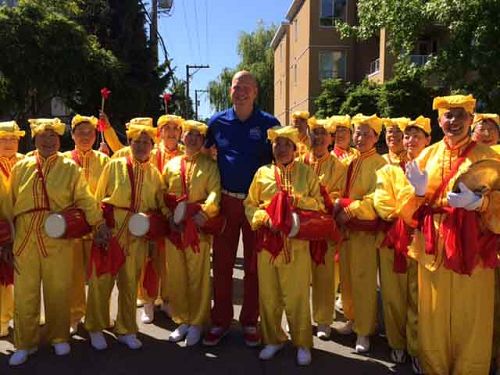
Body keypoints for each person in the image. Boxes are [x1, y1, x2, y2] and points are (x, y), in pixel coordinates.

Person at [399, 95, 499, 374]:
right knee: (433, 318)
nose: (453, 121)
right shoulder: (426, 155)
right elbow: (405, 212)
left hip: (474, 249)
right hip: (433, 248)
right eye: (448, 116)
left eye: (460, 115)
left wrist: (481, 204)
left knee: (473, 319)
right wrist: (418, 193)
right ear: (439, 120)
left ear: (471, 119)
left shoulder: (489, 157)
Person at [6, 118, 106, 366]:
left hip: (57, 237)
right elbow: (8, 205)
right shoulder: (22, 167)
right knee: (25, 293)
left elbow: (84, 198)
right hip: (25, 238)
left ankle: (59, 336)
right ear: (34, 138)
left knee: (58, 290)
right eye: (43, 136)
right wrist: (7, 240)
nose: (48, 141)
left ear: (60, 140)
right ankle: (24, 343)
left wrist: (98, 224)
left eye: (53, 137)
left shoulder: (69, 167)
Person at [203, 70, 279, 347]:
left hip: (257, 205)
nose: (242, 91)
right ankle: (221, 321)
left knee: (253, 266)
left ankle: (250, 321)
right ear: (230, 91)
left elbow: (283, 158)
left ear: (256, 92)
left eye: (247, 86)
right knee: (222, 264)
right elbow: (200, 153)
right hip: (226, 202)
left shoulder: (270, 123)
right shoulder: (217, 121)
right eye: (237, 86)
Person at [84, 120, 169, 351]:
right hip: (111, 230)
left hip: (137, 236)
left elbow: (160, 206)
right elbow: (98, 197)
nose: (141, 146)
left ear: (152, 146)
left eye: (145, 142)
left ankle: (126, 329)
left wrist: (168, 219)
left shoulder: (155, 174)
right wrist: (99, 227)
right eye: (136, 142)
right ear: (129, 143)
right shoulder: (115, 165)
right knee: (101, 281)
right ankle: (94, 327)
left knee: (130, 284)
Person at [244, 125, 324, 366]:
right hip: (268, 243)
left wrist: (298, 201)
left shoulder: (306, 173)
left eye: (286, 144)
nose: (281, 148)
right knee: (269, 295)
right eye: (277, 144)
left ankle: (302, 342)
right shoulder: (262, 173)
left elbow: (319, 204)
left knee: (297, 296)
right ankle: (273, 339)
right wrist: (263, 218)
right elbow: (250, 204)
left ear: (294, 148)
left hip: (297, 245)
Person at [374, 116, 431, 373]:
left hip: (424, 240)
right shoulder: (388, 170)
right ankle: (396, 342)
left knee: (419, 298)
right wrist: (411, 209)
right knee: (393, 294)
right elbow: (383, 203)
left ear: (428, 140)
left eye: (417, 136)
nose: (410, 140)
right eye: (407, 136)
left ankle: (417, 348)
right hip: (393, 240)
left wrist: (414, 212)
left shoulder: (434, 166)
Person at [164, 120, 221, 346]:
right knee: (177, 277)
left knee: (198, 278)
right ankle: (183, 320)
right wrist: (168, 216)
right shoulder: (171, 164)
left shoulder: (210, 165)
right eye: (189, 134)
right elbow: (161, 193)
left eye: (198, 135)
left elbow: (215, 193)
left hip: (198, 228)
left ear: (203, 140)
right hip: (175, 229)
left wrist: (205, 213)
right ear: (181, 136)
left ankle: (198, 322)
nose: (193, 138)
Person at [334, 113, 387, 353]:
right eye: (358, 132)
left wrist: (350, 209)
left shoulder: (380, 164)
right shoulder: (350, 160)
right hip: (346, 231)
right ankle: (353, 319)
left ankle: (365, 330)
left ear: (376, 138)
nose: (361, 137)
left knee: (364, 281)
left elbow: (377, 198)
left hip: (364, 233)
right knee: (346, 279)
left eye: (367, 134)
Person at [63, 115, 110, 335]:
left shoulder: (104, 160)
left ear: (95, 135)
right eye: (80, 132)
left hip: (97, 227)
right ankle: (74, 316)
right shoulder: (62, 160)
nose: (85, 136)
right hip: (72, 228)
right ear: (72, 135)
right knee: (73, 276)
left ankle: (97, 319)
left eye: (89, 132)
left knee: (99, 277)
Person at [301, 119, 345, 340]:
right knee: (298, 276)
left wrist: (316, 203)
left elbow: (337, 196)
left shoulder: (338, 166)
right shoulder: (299, 161)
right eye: (314, 133)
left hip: (324, 226)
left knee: (324, 277)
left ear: (331, 138)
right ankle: (299, 319)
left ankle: (323, 320)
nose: (318, 138)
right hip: (300, 228)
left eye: (323, 133)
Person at [138, 114, 184, 324]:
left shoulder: (186, 154)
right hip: (153, 213)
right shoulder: (151, 152)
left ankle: (167, 299)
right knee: (150, 259)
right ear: (160, 132)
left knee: (170, 262)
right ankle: (148, 301)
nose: (172, 133)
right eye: (168, 128)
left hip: (174, 214)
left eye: (176, 129)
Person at [0, 121, 25, 338]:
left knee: (26, 275)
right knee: (2, 278)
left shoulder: (27, 162)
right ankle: (2, 318)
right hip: (1, 228)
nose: (8, 143)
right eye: (3, 139)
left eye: (13, 139)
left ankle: (25, 315)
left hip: (25, 227)